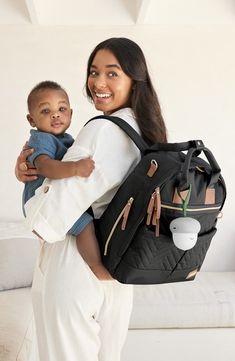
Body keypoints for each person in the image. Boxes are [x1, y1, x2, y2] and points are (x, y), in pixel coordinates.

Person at [15, 37, 167, 361]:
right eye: (94, 72)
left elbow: (48, 218)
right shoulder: (146, 132)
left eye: (112, 73)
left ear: (133, 80)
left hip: (74, 266)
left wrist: (33, 184)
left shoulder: (102, 130)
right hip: (119, 268)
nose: (98, 82)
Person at [23, 80, 111, 280]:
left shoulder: (67, 139)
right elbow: (45, 166)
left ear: (70, 114)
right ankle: (96, 267)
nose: (56, 114)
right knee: (84, 225)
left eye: (62, 109)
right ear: (31, 119)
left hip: (52, 199)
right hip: (41, 204)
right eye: (45, 111)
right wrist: (75, 168)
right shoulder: (41, 139)